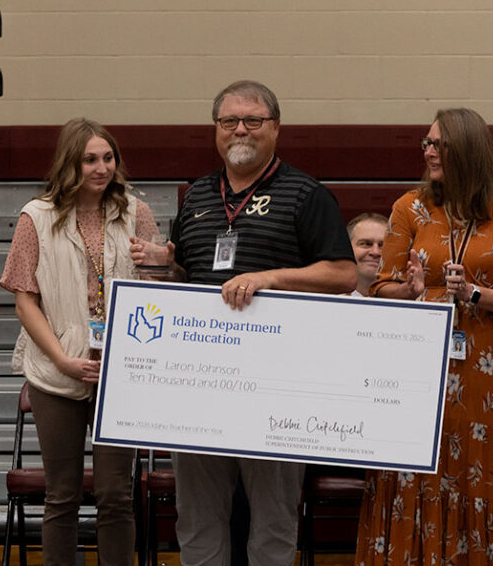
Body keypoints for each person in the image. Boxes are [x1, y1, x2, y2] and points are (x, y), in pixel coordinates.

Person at [132, 80, 356, 566]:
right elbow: (188, 281)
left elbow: (342, 273)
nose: (240, 130)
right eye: (229, 121)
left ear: (275, 128)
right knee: (197, 519)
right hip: (200, 386)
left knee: (273, 521)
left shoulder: (307, 194)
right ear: (215, 129)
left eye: (253, 120)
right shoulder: (194, 198)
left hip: (276, 387)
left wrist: (269, 277)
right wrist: (160, 267)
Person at [356, 108, 493, 564]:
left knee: (483, 477)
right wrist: (413, 290)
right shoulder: (410, 207)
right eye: (426, 143)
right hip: (422, 366)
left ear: (467, 148)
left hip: (488, 373)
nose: (429, 151)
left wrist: (475, 293)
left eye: (438, 144)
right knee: (419, 476)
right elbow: (382, 287)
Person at [0, 118, 160, 566]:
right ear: (71, 163)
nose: (101, 168)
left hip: (119, 371)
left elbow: (159, 286)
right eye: (90, 159)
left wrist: (164, 263)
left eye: (108, 158)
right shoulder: (37, 216)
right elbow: (24, 302)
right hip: (58, 369)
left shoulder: (136, 211)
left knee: (114, 494)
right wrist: (63, 359)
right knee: (63, 493)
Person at [347, 212, 388, 296]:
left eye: (382, 246)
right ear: (347, 248)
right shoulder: (324, 300)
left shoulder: (411, 303)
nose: (375, 252)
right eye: (366, 244)